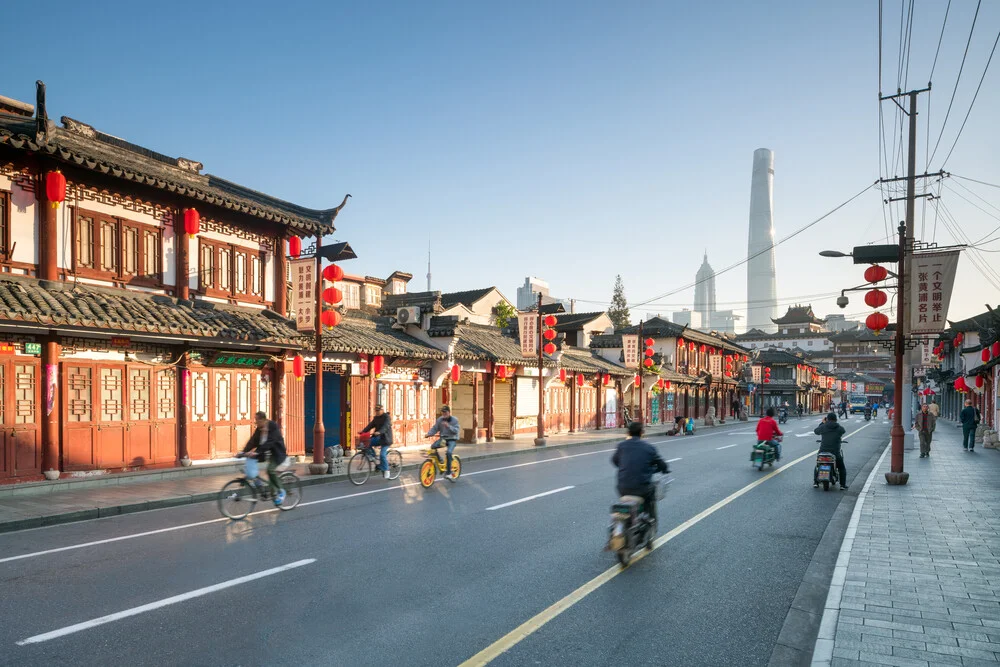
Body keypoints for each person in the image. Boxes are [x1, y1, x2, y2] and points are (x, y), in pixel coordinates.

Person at [611, 421, 669, 524]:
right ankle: (649, 518)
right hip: (642, 488)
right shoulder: (649, 447)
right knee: (650, 493)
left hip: (622, 488)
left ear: (628, 433)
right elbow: (661, 464)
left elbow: (615, 461)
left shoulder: (621, 446)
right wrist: (664, 469)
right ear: (642, 432)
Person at [242, 411, 289, 505]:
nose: (255, 422)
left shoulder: (273, 426)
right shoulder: (259, 429)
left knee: (270, 470)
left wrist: (256, 452)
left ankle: (281, 491)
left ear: (263, 420)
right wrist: (243, 452)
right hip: (265, 453)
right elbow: (253, 441)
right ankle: (263, 487)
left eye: (257, 420)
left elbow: (270, 442)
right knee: (251, 468)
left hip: (277, 454)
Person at [814, 412, 847, 490]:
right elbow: (843, 431)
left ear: (827, 419)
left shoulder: (823, 426)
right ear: (835, 419)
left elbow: (816, 431)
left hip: (823, 451)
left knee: (818, 465)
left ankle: (816, 482)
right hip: (835, 452)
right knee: (841, 467)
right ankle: (842, 485)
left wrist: (822, 422)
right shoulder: (839, 428)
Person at [426, 405, 461, 480]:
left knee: (448, 453)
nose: (444, 414)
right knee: (433, 447)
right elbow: (435, 428)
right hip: (444, 439)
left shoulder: (454, 420)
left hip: (452, 439)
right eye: (443, 413)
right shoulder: (440, 420)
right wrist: (429, 434)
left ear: (449, 412)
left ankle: (449, 473)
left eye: (445, 412)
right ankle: (440, 460)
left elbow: (456, 431)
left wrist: (448, 426)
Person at [359, 404, 393, 477]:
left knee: (382, 455)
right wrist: (363, 431)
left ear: (382, 410)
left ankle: (386, 470)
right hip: (378, 438)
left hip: (386, 439)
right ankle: (373, 456)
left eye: (378, 410)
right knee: (367, 443)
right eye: (376, 411)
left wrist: (379, 432)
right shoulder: (376, 418)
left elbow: (386, 426)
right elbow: (370, 426)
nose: (377, 412)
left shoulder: (387, 417)